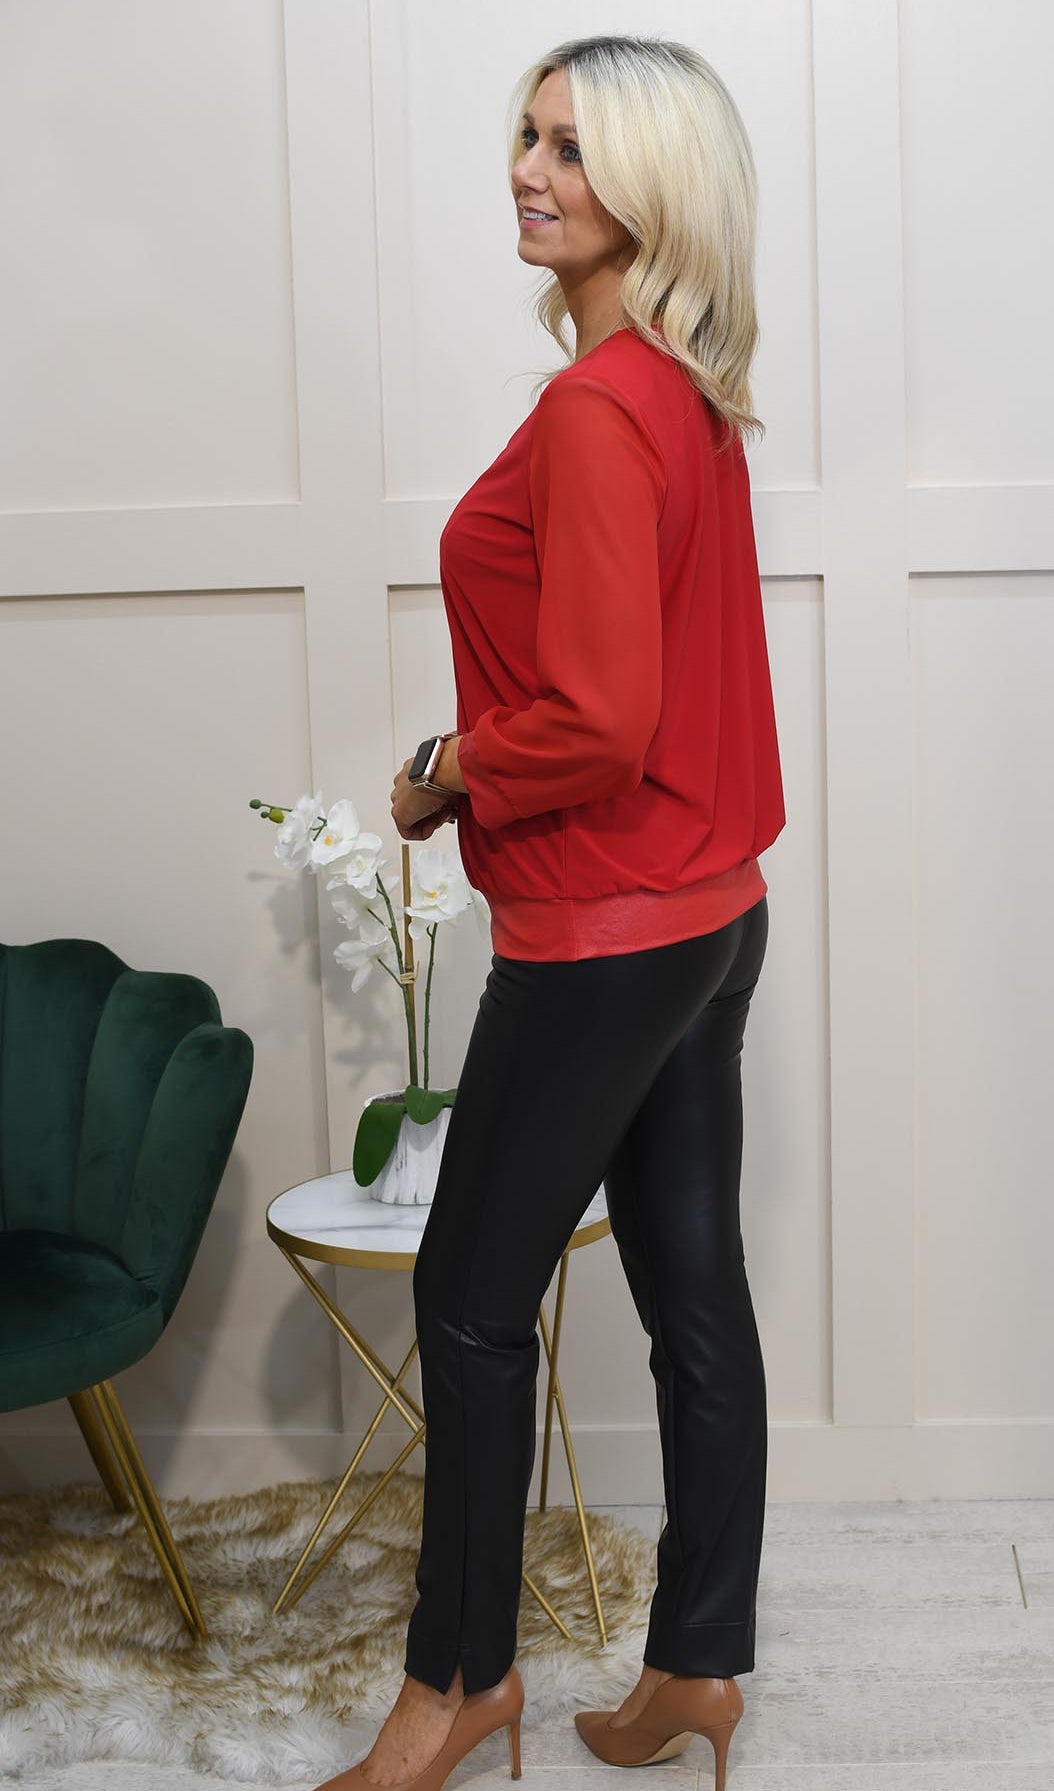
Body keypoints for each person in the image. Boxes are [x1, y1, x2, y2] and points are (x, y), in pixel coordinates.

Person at [312, 32, 785, 1791]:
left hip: (607, 932)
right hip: (712, 914)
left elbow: (598, 719)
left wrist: (446, 768)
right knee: (695, 1300)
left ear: (653, 187)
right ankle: (699, 1666)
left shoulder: (598, 410)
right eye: (527, 134)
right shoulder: (680, 393)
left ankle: (457, 1686)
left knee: (466, 1295)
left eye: (575, 148)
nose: (529, 168)